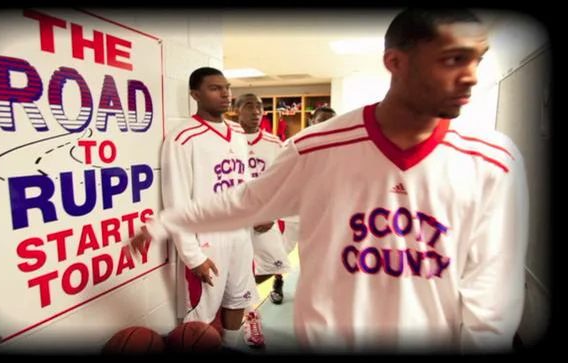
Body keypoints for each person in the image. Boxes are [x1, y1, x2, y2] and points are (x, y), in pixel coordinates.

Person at [132, 9, 529, 354]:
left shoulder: (494, 161)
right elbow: (243, 201)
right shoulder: (314, 148)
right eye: (453, 59)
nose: (471, 77)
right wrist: (163, 223)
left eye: (477, 60)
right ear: (396, 62)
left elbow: (491, 294)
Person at [157, 66, 262, 349]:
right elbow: (176, 202)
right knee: (200, 317)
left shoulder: (238, 131)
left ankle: (231, 345)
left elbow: (244, 182)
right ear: (195, 94)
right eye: (215, 88)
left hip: (240, 234)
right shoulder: (182, 138)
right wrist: (193, 256)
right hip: (207, 240)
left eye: (226, 87)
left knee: (237, 299)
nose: (225, 93)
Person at [233, 93, 293, 304]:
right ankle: (244, 305)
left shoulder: (273, 143)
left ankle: (271, 285)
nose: (256, 111)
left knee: (274, 262)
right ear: (237, 110)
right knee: (235, 266)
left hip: (264, 214)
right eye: (249, 106)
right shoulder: (227, 138)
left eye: (259, 106)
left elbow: (283, 181)